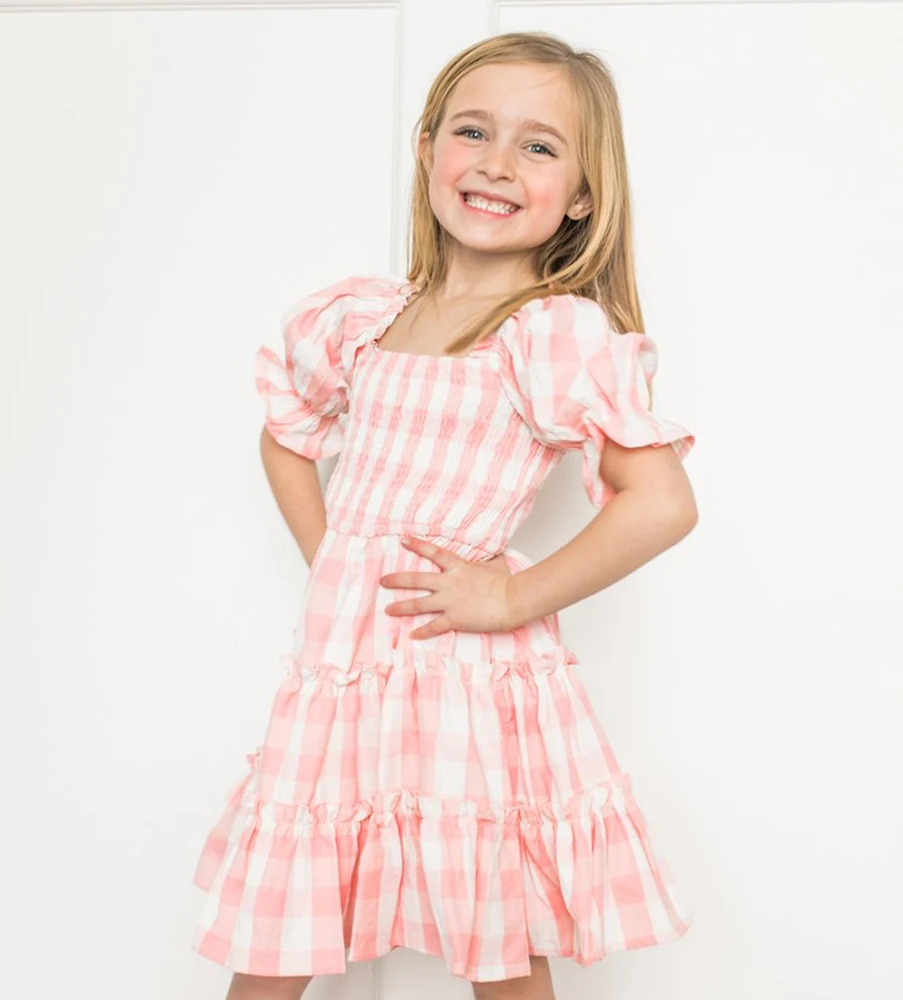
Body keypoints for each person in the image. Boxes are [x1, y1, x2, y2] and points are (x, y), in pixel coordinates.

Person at [190, 29, 698, 1000]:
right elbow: (286, 437)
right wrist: (336, 562)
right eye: (473, 131)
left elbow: (662, 502)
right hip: (343, 673)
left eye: (538, 146)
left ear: (582, 194)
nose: (497, 163)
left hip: (461, 673)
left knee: (491, 924)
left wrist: (511, 597)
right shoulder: (362, 319)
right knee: (284, 916)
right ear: (427, 148)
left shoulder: (549, 332)